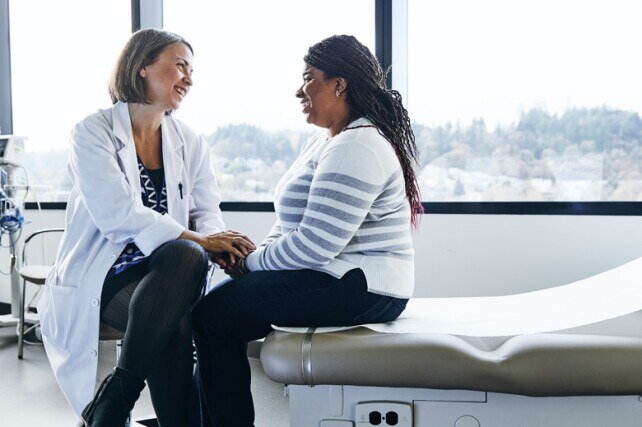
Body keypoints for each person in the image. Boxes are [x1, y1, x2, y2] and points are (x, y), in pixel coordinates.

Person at [192, 34, 423, 426]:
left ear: (339, 85)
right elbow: (288, 225)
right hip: (337, 274)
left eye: (307, 78)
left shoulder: (359, 145)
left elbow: (315, 245)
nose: (299, 90)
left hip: (364, 285)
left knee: (214, 315)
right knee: (216, 308)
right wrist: (252, 257)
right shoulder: (323, 142)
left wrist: (250, 265)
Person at [37, 29, 255, 427]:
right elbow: (116, 213)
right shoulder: (92, 132)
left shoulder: (190, 141)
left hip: (170, 270)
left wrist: (217, 242)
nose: (188, 78)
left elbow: (207, 212)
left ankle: (116, 398)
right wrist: (202, 240)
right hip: (105, 274)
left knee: (183, 259)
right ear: (142, 68)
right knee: (176, 309)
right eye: (180, 65)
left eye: (192, 69)